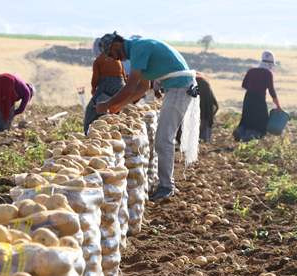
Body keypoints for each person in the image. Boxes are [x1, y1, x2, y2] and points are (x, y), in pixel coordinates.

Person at [95, 32, 200, 201]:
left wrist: (107, 104)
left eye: (113, 55)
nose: (118, 59)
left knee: (163, 139)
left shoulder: (138, 48)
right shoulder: (137, 48)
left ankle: (167, 186)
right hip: (175, 88)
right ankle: (165, 184)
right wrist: (119, 106)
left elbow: (130, 87)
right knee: (163, 138)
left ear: (115, 45)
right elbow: (142, 88)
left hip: (180, 88)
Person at [233, 51, 282, 142]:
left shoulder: (251, 71)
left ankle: (240, 132)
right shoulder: (268, 73)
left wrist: (253, 86)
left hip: (248, 98)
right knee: (261, 124)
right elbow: (272, 91)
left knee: (246, 119)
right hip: (259, 99)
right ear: (269, 64)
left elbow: (244, 85)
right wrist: (278, 106)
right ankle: (249, 137)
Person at [83, 36, 127, 133]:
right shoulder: (117, 59)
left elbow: (95, 79)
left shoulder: (98, 60)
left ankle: (88, 133)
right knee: (115, 111)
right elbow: (124, 75)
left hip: (106, 87)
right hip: (121, 86)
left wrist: (94, 90)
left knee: (91, 110)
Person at [174, 73, 219, 143]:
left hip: (200, 118)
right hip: (205, 117)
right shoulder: (202, 83)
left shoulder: (194, 83)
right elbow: (216, 106)